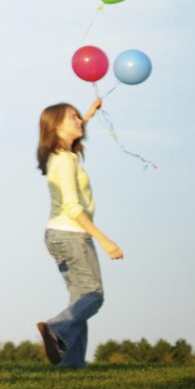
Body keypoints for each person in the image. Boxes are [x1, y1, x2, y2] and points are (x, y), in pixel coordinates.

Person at [36, 98, 121, 369]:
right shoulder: (64, 161)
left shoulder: (60, 156)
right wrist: (103, 239)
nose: (79, 121)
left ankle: (71, 365)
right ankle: (56, 329)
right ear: (57, 126)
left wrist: (89, 113)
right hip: (72, 234)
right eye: (72, 117)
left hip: (58, 235)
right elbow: (73, 207)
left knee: (79, 300)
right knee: (93, 295)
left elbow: (76, 126)